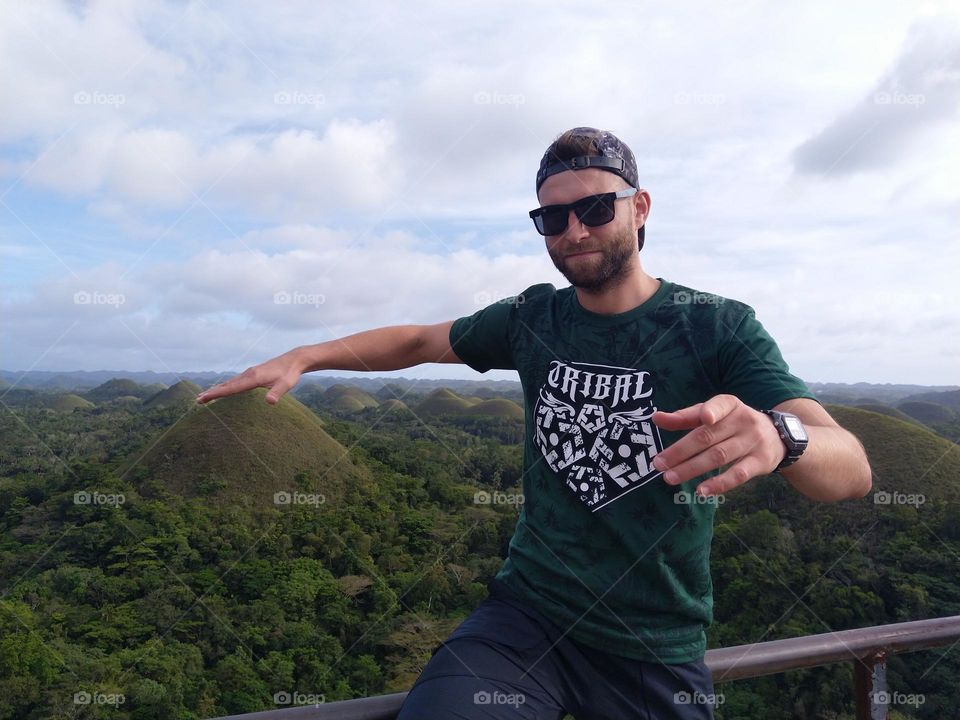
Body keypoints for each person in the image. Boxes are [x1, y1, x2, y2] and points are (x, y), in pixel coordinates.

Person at [195, 127, 872, 719]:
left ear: (640, 207)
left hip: (653, 640)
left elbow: (851, 469)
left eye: (595, 209)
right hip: (527, 618)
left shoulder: (715, 325)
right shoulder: (532, 318)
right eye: (553, 218)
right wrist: (306, 355)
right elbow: (420, 342)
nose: (574, 231)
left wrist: (783, 437)